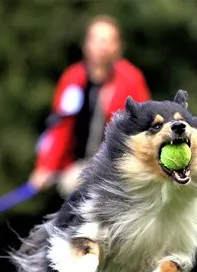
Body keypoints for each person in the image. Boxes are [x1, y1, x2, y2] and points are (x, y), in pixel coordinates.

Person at [29, 15, 151, 196]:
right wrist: (45, 166)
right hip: (77, 167)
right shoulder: (72, 79)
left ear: (118, 46)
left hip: (118, 167)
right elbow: (58, 127)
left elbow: (144, 128)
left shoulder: (131, 80)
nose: (102, 46)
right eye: (97, 40)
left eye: (108, 41)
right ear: (86, 44)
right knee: (73, 188)